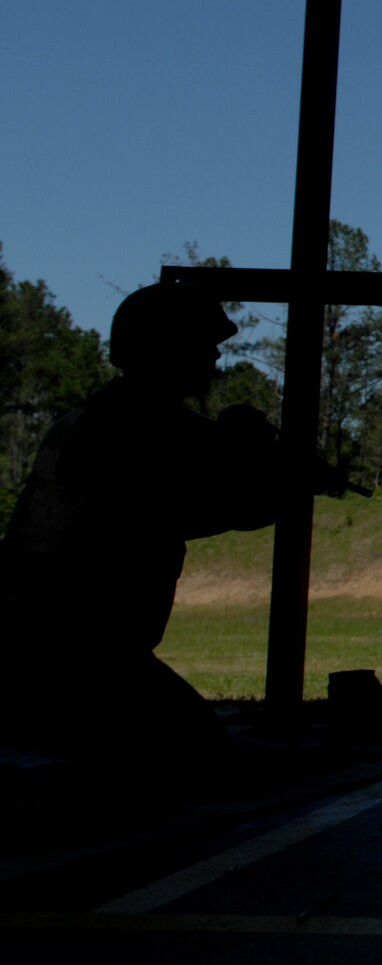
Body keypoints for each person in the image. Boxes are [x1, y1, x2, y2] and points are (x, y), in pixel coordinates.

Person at [0, 282, 288, 765]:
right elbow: (232, 507)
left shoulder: (97, 421)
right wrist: (275, 473)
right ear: (166, 350)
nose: (215, 357)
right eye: (203, 345)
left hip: (60, 646)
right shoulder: (141, 435)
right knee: (197, 763)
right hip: (74, 655)